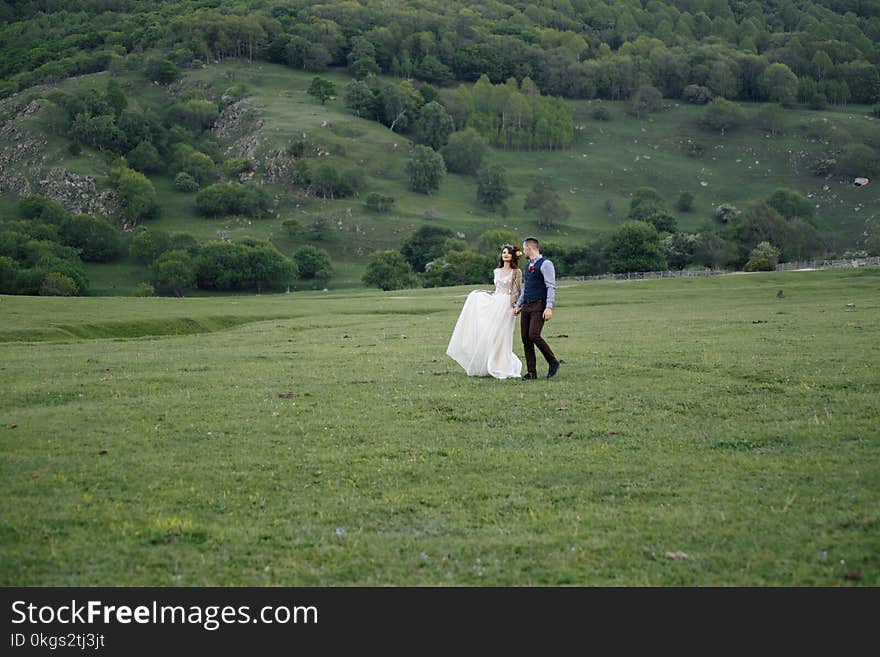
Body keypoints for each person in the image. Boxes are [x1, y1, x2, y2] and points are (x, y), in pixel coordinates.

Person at [446, 244, 523, 379]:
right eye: (503, 252)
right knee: (491, 334)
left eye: (508, 253)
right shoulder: (496, 271)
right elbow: (497, 289)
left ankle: (502, 365)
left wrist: (517, 305)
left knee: (503, 335)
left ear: (513, 256)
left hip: (507, 305)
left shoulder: (516, 272)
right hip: (495, 302)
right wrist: (483, 292)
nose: (505, 255)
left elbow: (517, 291)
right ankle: (488, 362)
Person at [514, 237, 561, 379]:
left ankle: (553, 362)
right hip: (527, 305)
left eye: (524, 248)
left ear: (529, 248)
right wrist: (518, 305)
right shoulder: (528, 265)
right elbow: (526, 288)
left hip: (539, 305)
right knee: (525, 338)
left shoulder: (546, 264)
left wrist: (549, 307)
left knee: (534, 335)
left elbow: (550, 286)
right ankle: (531, 372)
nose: (523, 251)